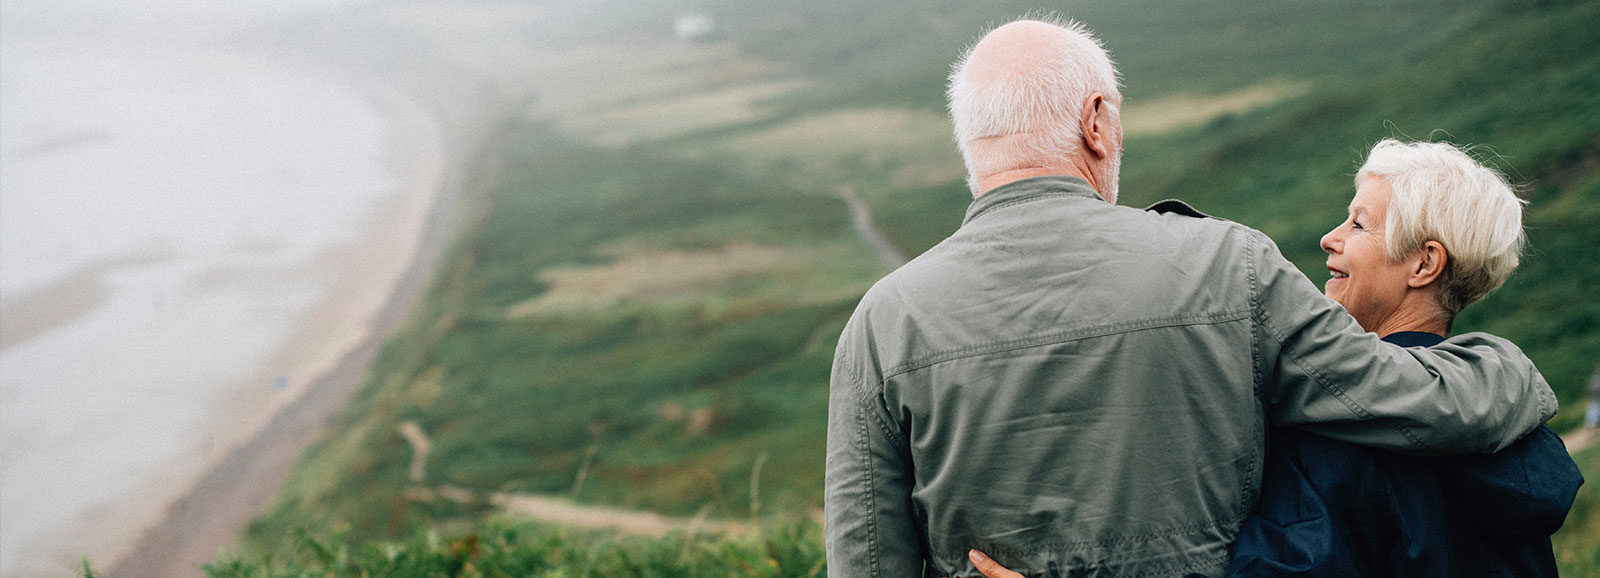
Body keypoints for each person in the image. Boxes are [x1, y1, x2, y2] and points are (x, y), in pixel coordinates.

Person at [823, 18, 1557, 577]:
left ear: (970, 146)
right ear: (1097, 122)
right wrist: (1511, 370)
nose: (1335, 239)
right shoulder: (1231, 266)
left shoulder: (880, 326)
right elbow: (1411, 401)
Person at [965, 141, 1584, 577]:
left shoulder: (1339, 436)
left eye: (1359, 225)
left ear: (1424, 264)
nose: (1330, 238)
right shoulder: (1516, 434)